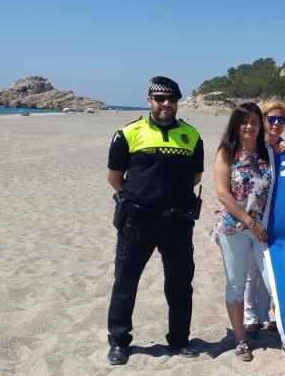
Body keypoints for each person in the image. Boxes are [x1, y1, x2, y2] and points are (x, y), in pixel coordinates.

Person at [105, 76, 203, 365]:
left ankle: (179, 340)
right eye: (160, 99)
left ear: (177, 102)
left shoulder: (191, 136)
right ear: (149, 100)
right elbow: (114, 177)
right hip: (137, 222)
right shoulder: (128, 133)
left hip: (177, 222)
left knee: (180, 284)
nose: (166, 104)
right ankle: (119, 342)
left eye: (171, 99)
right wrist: (137, 201)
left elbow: (195, 177)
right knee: (126, 282)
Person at [213, 102, 274, 362]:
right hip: (234, 228)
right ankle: (241, 340)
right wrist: (249, 222)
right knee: (236, 286)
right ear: (236, 124)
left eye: (255, 122)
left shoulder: (268, 152)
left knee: (274, 283)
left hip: (265, 230)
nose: (249, 126)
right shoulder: (227, 151)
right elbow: (222, 193)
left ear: (260, 126)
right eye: (244, 121)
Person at [242, 101, 285, 339]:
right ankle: (250, 318)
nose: (276, 124)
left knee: (268, 270)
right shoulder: (255, 146)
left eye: (281, 120)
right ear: (263, 120)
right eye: (271, 119)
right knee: (251, 271)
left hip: (275, 217)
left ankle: (264, 317)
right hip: (251, 215)